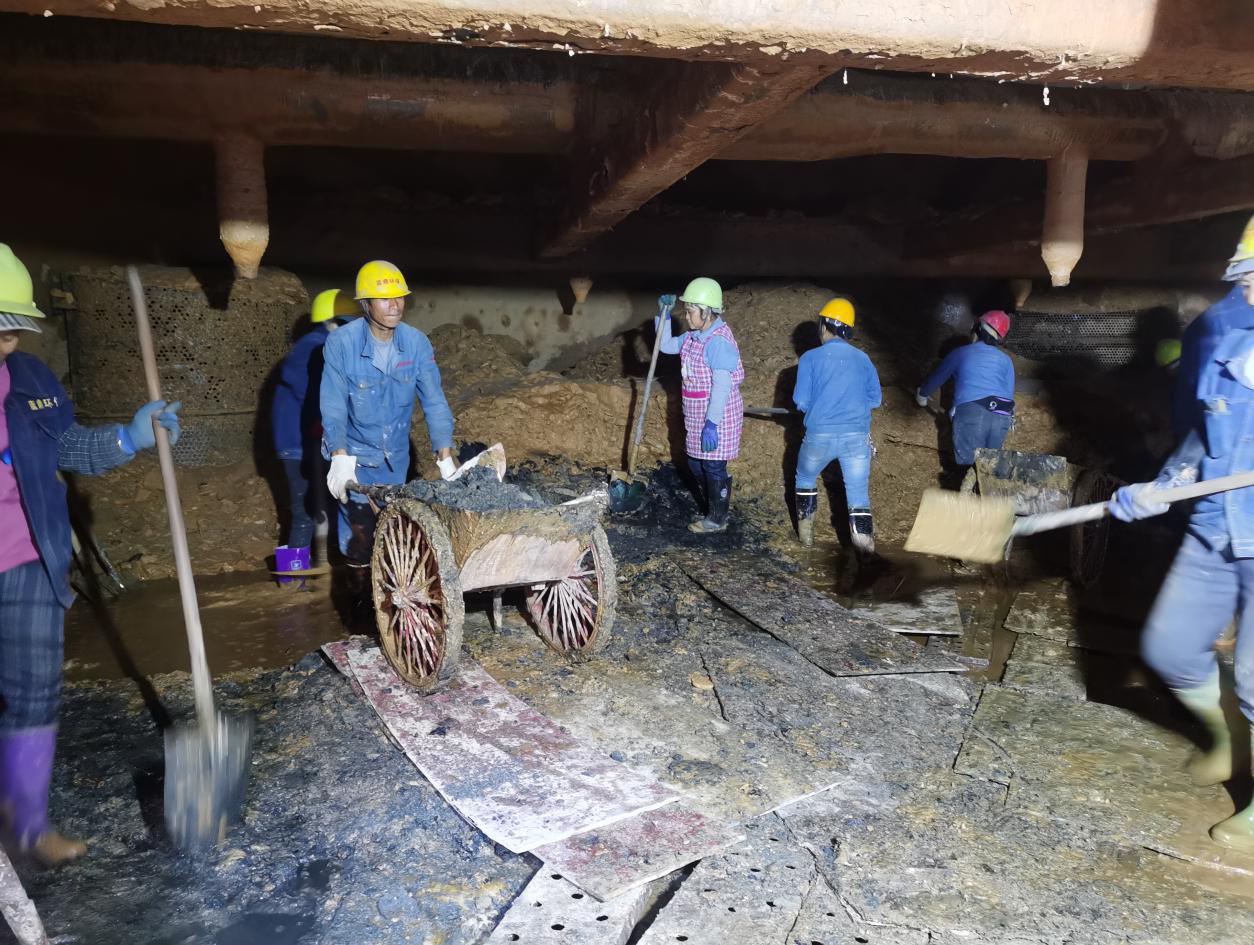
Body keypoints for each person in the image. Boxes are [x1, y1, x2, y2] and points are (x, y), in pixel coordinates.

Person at [0, 244, 181, 865]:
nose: (6, 342)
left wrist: (128, 437)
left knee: (33, 691)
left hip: (29, 557)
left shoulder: (30, 379)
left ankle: (27, 822)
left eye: (11, 328)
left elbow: (66, 447)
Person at [1108, 227, 1254, 853]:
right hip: (1218, 520)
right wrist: (1165, 483)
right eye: (1245, 277)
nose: (1247, 290)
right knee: (1167, 647)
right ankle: (1233, 739)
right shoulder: (1227, 328)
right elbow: (1202, 428)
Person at [320, 261, 456, 593]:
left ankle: (391, 601)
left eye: (399, 297)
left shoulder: (416, 344)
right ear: (366, 304)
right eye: (384, 299)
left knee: (394, 532)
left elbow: (435, 400)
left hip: (395, 457)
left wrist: (445, 454)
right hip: (355, 457)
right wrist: (339, 456)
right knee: (360, 537)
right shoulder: (342, 344)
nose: (395, 305)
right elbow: (333, 404)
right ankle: (358, 601)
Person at [269, 288, 355, 580]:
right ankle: (292, 578)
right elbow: (318, 395)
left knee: (324, 504)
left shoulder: (318, 345)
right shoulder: (315, 348)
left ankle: (320, 570)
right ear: (332, 323)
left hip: (306, 442)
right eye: (346, 324)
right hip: (298, 445)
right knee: (305, 512)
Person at [656, 277, 745, 534]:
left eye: (691, 311)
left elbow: (721, 387)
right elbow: (665, 346)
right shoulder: (693, 337)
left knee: (713, 465)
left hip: (718, 416)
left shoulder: (718, 342)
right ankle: (714, 503)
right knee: (695, 463)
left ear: (706, 312)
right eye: (686, 310)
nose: (687, 316)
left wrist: (712, 423)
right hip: (696, 415)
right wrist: (663, 315)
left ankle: (717, 518)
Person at [791, 298, 881, 553]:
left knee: (805, 478)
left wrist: (821, 406)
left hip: (819, 436)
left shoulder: (810, 358)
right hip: (856, 439)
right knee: (858, 495)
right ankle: (865, 554)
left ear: (825, 326)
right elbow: (875, 399)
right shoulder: (863, 358)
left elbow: (800, 401)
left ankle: (806, 540)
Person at [915, 310, 1015, 487]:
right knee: (989, 467)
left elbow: (938, 377)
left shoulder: (961, 353)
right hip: (1002, 415)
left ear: (978, 328)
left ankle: (966, 498)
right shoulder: (1006, 360)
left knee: (967, 469)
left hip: (973, 412)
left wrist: (922, 395)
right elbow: (1009, 394)